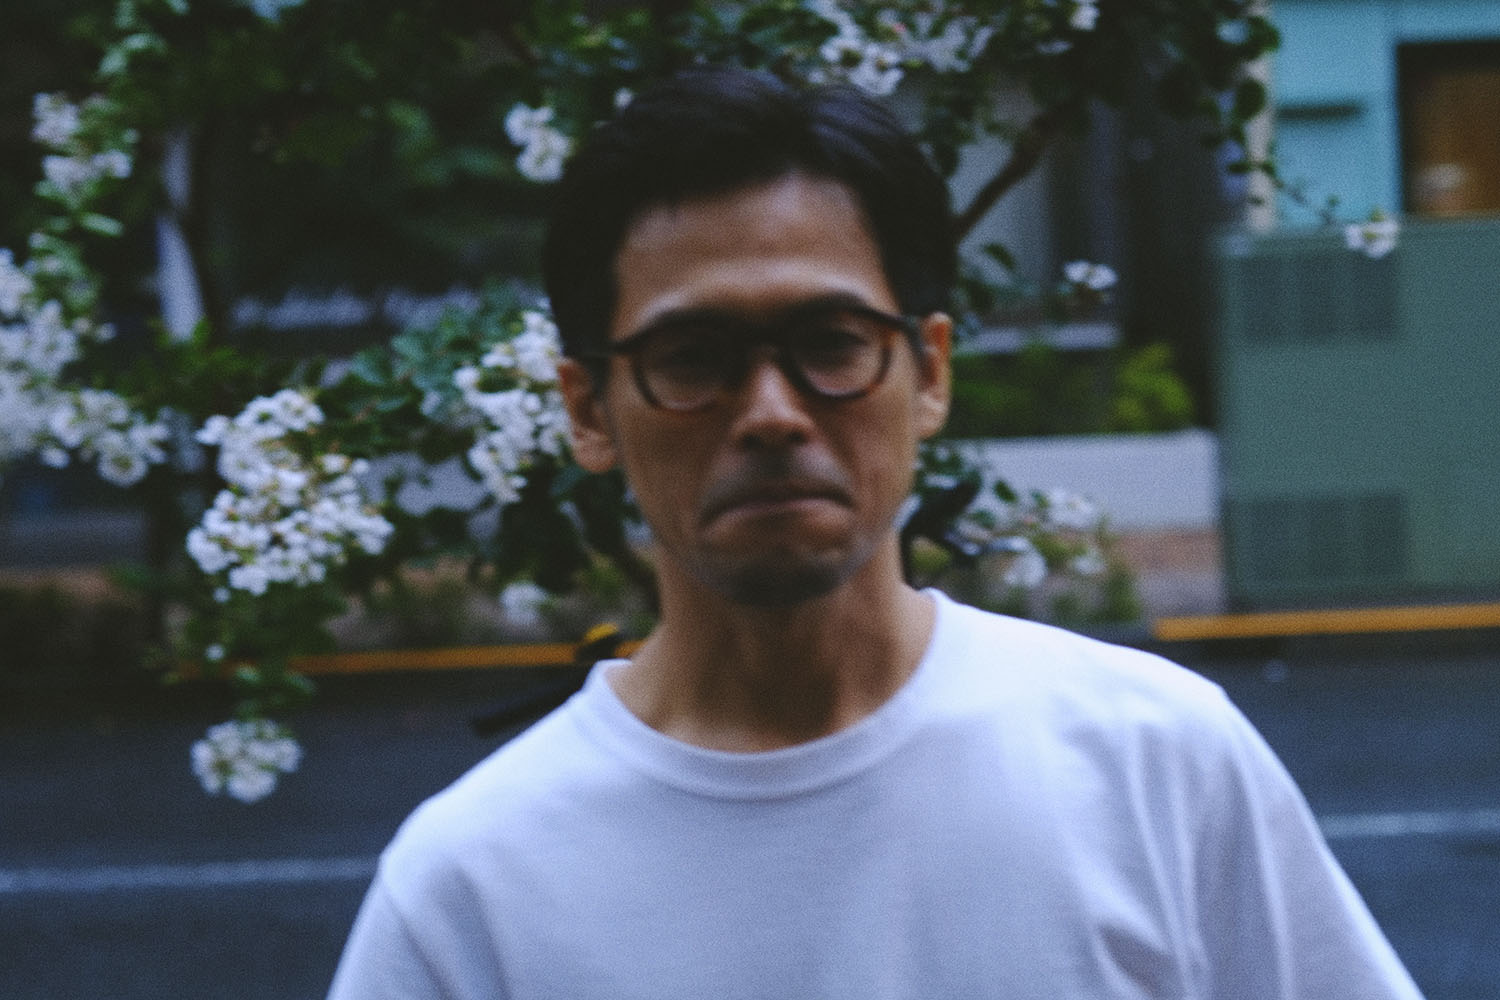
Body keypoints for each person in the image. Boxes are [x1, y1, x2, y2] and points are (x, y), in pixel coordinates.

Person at [328, 67, 1424, 999]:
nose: (770, 413)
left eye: (831, 340)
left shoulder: (1156, 761)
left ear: (929, 372)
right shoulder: (469, 889)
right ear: (587, 411)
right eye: (693, 357)